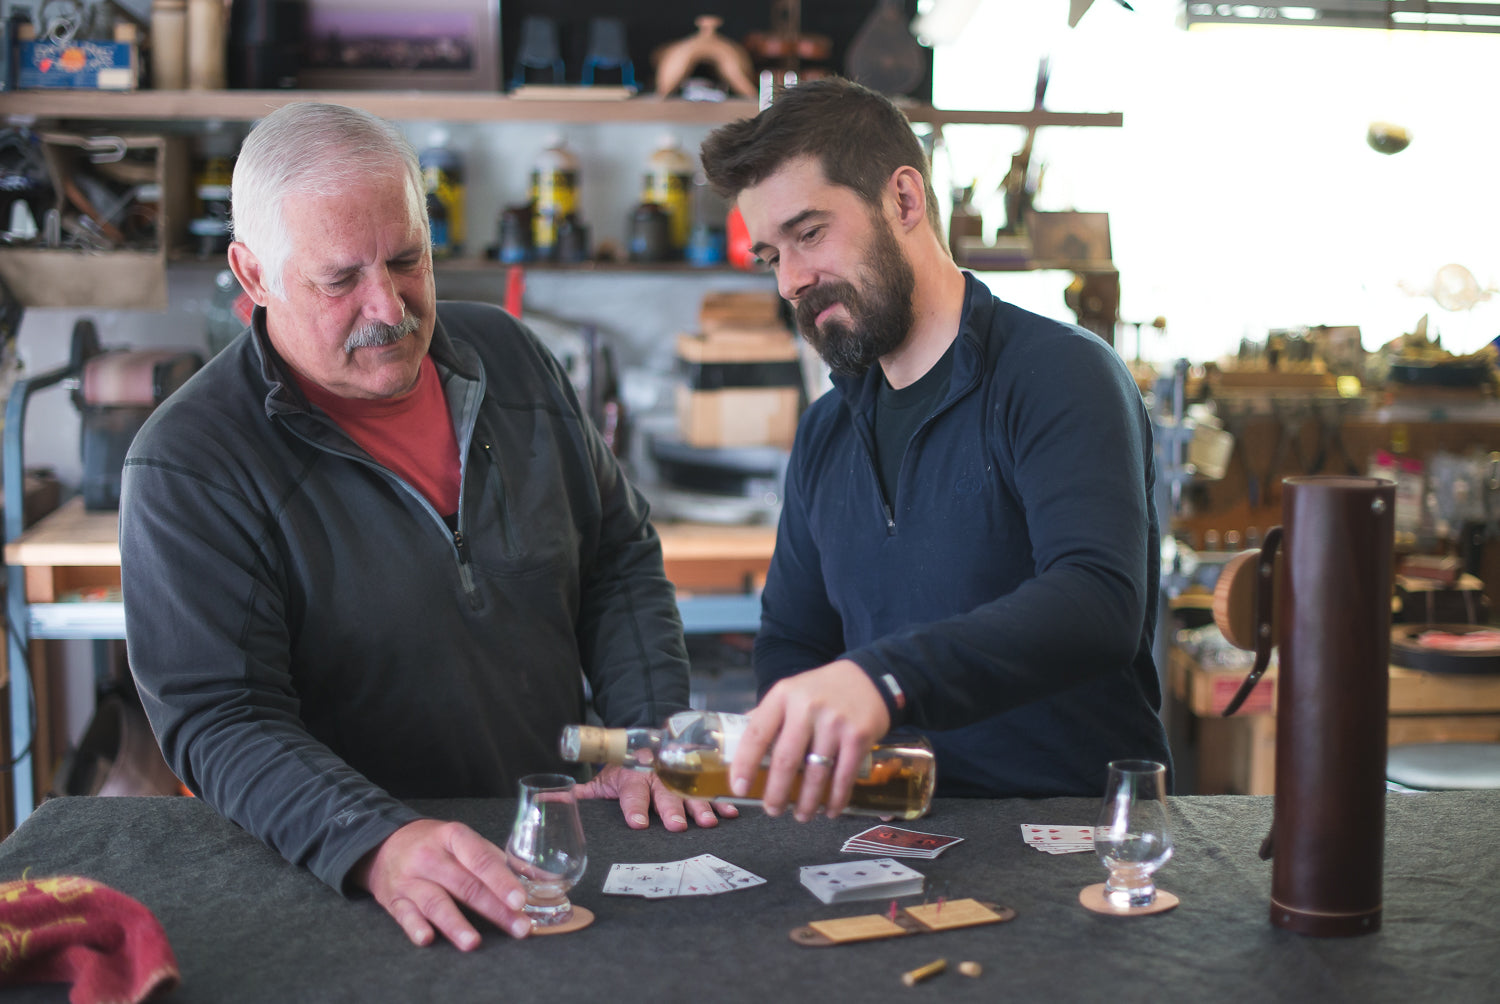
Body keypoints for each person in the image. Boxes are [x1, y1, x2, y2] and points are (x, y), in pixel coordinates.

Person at [120, 102, 730, 952]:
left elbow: (617, 560)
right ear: (252, 275)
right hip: (351, 883)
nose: (390, 306)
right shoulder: (189, 462)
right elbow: (221, 717)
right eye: (340, 280)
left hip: (549, 854)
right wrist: (371, 841)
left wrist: (645, 735)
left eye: (408, 260)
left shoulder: (511, 358)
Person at [698, 78, 1171, 822]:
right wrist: (806, 743)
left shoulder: (1060, 375)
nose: (791, 280)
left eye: (810, 234)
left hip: (1072, 841)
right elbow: (793, 638)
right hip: (890, 836)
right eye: (770, 257)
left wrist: (881, 681)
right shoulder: (826, 431)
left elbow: (1098, 600)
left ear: (905, 201)